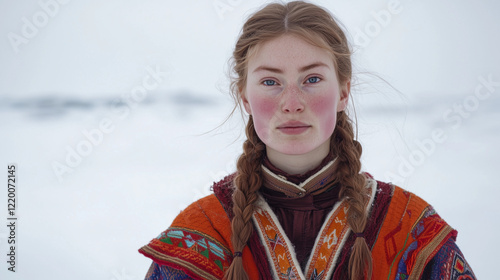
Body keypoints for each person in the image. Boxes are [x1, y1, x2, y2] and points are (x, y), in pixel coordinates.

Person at [138, 1, 476, 279]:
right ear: (244, 97)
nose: (292, 102)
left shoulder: (410, 229)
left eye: (312, 78)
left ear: (343, 91)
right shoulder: (202, 233)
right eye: (271, 82)